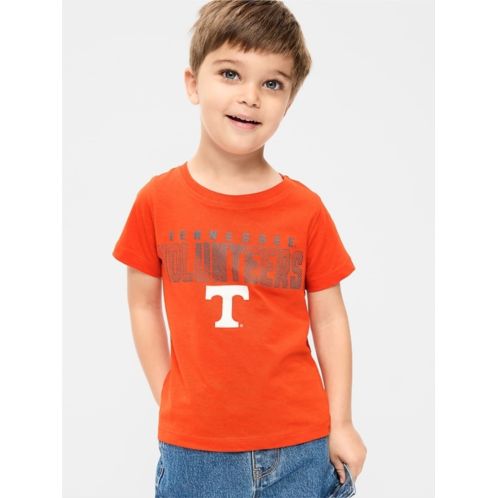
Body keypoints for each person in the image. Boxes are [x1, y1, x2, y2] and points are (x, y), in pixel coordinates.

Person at [113, 0, 367, 496]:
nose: (250, 96)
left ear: (288, 101)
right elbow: (142, 304)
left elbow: (329, 317)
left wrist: (342, 422)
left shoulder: (306, 209)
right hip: (195, 453)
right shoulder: (156, 201)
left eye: (272, 83)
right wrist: (170, 397)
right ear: (193, 84)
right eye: (230, 73)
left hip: (300, 446)